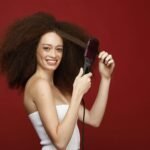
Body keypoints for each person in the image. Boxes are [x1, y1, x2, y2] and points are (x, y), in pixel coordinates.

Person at [0, 12, 115, 150]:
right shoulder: (39, 84)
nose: (53, 55)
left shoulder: (57, 87)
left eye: (59, 49)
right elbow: (60, 142)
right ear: (34, 50)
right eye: (46, 48)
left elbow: (93, 119)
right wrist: (78, 92)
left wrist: (106, 79)